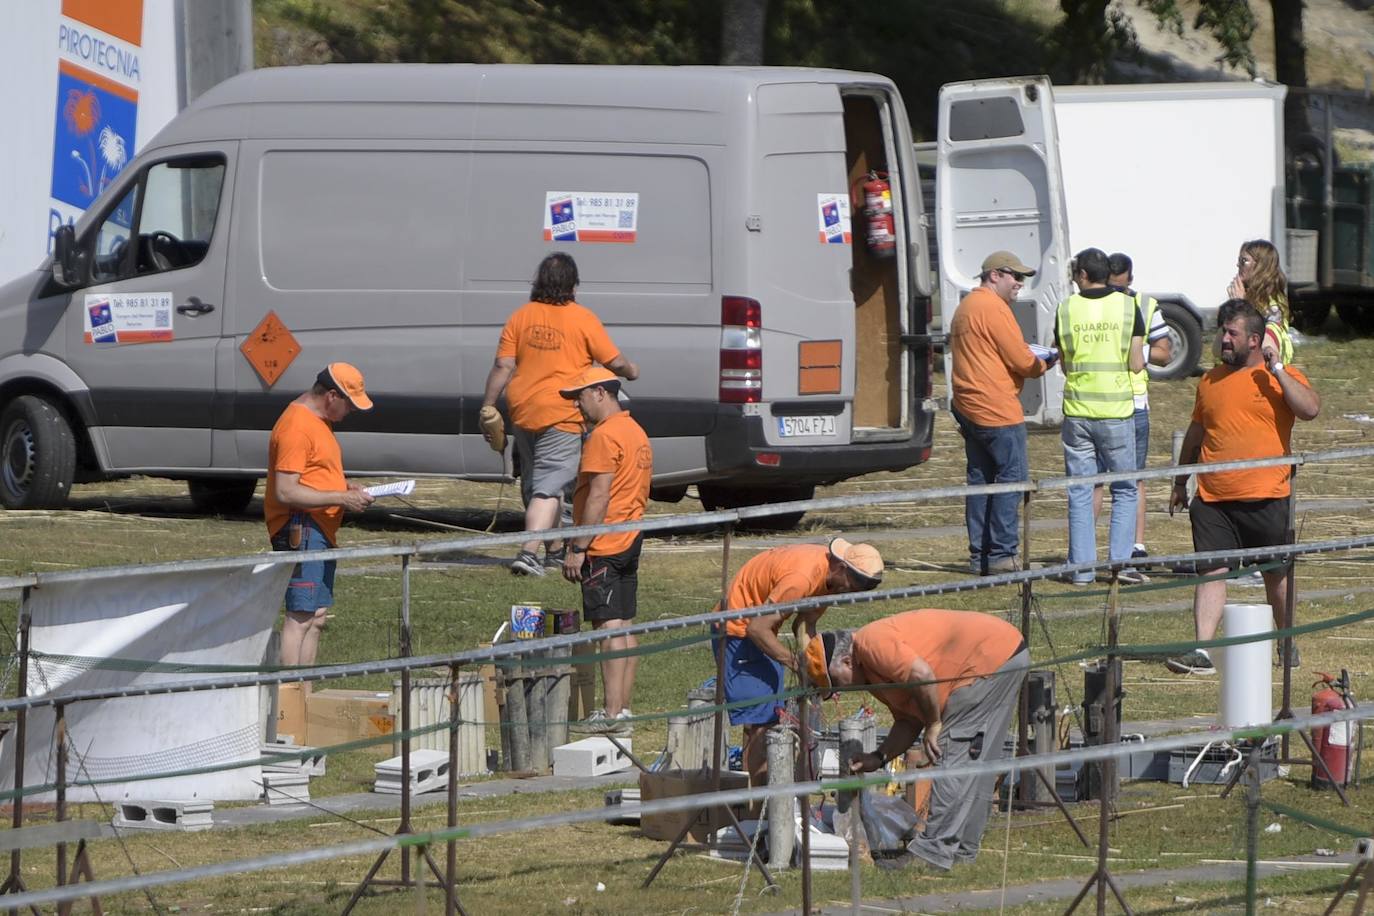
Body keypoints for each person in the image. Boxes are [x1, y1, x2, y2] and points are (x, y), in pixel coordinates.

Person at [1166, 299, 1320, 675]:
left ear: (1255, 340)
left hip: (1267, 496)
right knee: (1212, 572)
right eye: (1222, 332)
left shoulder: (1278, 379)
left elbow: (1310, 409)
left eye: (1232, 333)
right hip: (1214, 499)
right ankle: (1202, 649)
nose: (1224, 340)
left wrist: (1278, 368)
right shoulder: (1209, 381)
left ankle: (1286, 640)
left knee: (1277, 576)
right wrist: (1180, 480)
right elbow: (1196, 434)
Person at [823, 609, 1029, 872]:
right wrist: (879, 757)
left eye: (834, 682)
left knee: (954, 754)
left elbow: (922, 674)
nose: (839, 691)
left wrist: (934, 724)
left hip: (986, 659)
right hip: (1005, 652)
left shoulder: (869, 642)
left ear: (846, 661)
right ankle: (963, 850)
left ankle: (932, 853)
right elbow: (909, 721)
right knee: (977, 761)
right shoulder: (874, 673)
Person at [481, 253, 639, 577]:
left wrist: (488, 404)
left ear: (538, 282)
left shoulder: (520, 317)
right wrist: (631, 370)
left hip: (523, 411)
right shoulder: (583, 319)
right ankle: (529, 553)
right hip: (564, 411)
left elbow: (503, 366)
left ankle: (554, 549)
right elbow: (614, 360)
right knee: (551, 485)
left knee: (538, 483)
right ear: (574, 286)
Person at [716, 539, 884, 784]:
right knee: (760, 724)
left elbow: (805, 624)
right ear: (842, 567)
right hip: (737, 630)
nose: (852, 591)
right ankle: (759, 810)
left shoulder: (830, 582)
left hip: (763, 631)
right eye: (854, 583)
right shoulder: (801, 579)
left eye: (864, 588)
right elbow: (757, 629)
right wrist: (795, 663)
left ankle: (761, 802)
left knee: (767, 719)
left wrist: (817, 669)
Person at [948, 251, 1054, 575]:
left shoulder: (965, 307)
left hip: (968, 406)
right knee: (1012, 478)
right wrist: (1046, 361)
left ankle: (979, 555)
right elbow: (1022, 360)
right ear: (994, 275)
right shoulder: (994, 309)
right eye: (1015, 276)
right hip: (996, 409)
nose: (1019, 284)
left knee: (980, 479)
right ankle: (1003, 554)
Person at [558, 367, 652, 734]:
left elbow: (598, 494)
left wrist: (579, 547)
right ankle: (623, 710)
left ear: (599, 392)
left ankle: (612, 716)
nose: (577, 406)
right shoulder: (636, 432)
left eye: (579, 397)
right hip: (630, 537)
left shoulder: (604, 436)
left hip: (605, 543)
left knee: (608, 626)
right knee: (625, 624)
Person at [265, 363, 376, 666]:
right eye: (349, 405)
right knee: (300, 617)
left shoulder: (319, 421)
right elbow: (285, 491)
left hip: (320, 531)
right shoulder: (296, 427)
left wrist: (344, 485)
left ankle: (305, 694)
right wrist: (342, 497)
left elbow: (313, 473)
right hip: (301, 529)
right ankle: (290, 698)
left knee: (316, 618)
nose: (350, 412)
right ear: (331, 395)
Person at [1055, 248, 1146, 584]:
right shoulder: (1127, 306)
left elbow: (1064, 363)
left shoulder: (1066, 309)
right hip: (1116, 412)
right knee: (1124, 489)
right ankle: (1120, 566)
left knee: (1080, 489)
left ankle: (1081, 570)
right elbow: (1137, 363)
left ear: (1082, 275)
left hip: (1078, 411)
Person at [1093, 252, 1172, 560]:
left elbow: (1165, 352)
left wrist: (1138, 351)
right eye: (1111, 287)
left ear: (1131, 282)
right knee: (1094, 479)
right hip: (1098, 403)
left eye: (1122, 288)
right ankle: (1087, 550)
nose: (1117, 294)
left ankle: (1136, 547)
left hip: (1134, 404)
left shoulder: (1145, 306)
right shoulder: (1090, 305)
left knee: (1134, 477)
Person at [1226, 239, 1294, 366]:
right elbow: (1218, 349)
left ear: (1260, 266)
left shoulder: (1273, 306)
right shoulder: (1248, 295)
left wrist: (1240, 305)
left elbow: (1259, 346)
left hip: (1266, 371)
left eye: (1243, 261)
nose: (1237, 265)